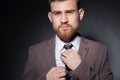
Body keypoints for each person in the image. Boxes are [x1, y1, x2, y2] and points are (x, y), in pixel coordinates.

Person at [22, 0, 114, 80]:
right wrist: (46, 79)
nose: (63, 20)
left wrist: (80, 68)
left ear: (80, 14)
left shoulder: (100, 51)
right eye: (57, 13)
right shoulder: (35, 52)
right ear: (50, 17)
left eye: (69, 12)